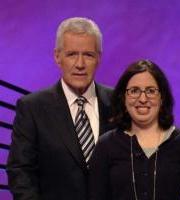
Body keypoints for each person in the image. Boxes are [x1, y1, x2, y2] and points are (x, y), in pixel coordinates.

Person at [6, 17, 114, 200]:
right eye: (72, 54)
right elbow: (20, 173)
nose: (80, 64)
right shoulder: (32, 108)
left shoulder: (119, 102)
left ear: (99, 58)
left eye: (88, 55)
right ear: (57, 57)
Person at [89, 60, 180, 200]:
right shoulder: (106, 145)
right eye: (134, 91)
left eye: (150, 91)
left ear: (162, 97)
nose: (143, 99)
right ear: (123, 98)